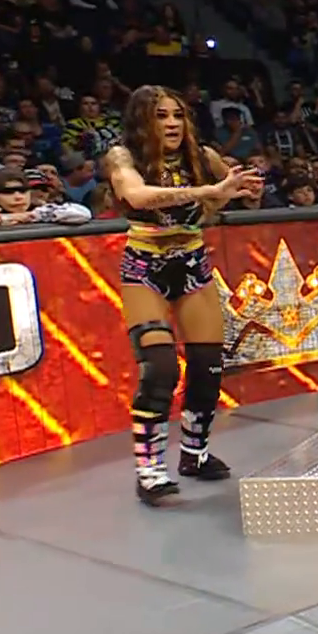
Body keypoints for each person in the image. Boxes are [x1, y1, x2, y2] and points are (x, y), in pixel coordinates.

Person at [101, 86, 263, 505]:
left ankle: (194, 453)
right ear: (143, 121)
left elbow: (230, 190)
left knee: (208, 366)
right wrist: (205, 192)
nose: (172, 123)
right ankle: (150, 471)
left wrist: (242, 189)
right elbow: (136, 195)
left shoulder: (201, 156)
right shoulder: (122, 157)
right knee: (159, 369)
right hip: (145, 268)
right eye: (161, 116)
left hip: (192, 265)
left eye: (178, 115)